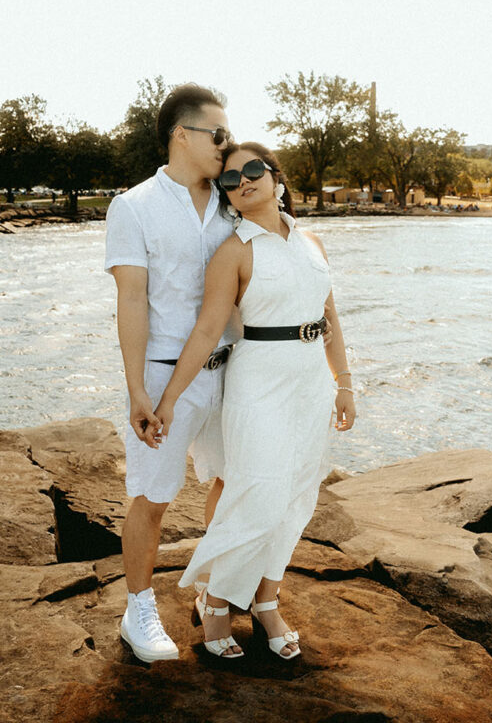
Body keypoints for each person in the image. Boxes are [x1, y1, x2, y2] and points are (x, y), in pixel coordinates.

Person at [148, 142, 355, 660]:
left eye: (253, 170)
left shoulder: (312, 242)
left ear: (276, 176)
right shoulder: (234, 251)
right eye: (230, 178)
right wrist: (168, 398)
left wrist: (345, 383)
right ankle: (214, 603)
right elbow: (205, 332)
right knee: (257, 496)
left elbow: (328, 318)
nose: (243, 181)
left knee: (295, 500)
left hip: (311, 386)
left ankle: (266, 600)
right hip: (258, 385)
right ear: (227, 195)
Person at [104, 82, 241, 663]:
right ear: (181, 135)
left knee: (232, 484)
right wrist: (138, 390)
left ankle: (210, 590)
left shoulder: (234, 201)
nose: (226, 145)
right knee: (153, 497)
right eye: (218, 134)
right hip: (165, 376)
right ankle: (138, 612)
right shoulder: (133, 206)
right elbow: (132, 300)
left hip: (236, 372)